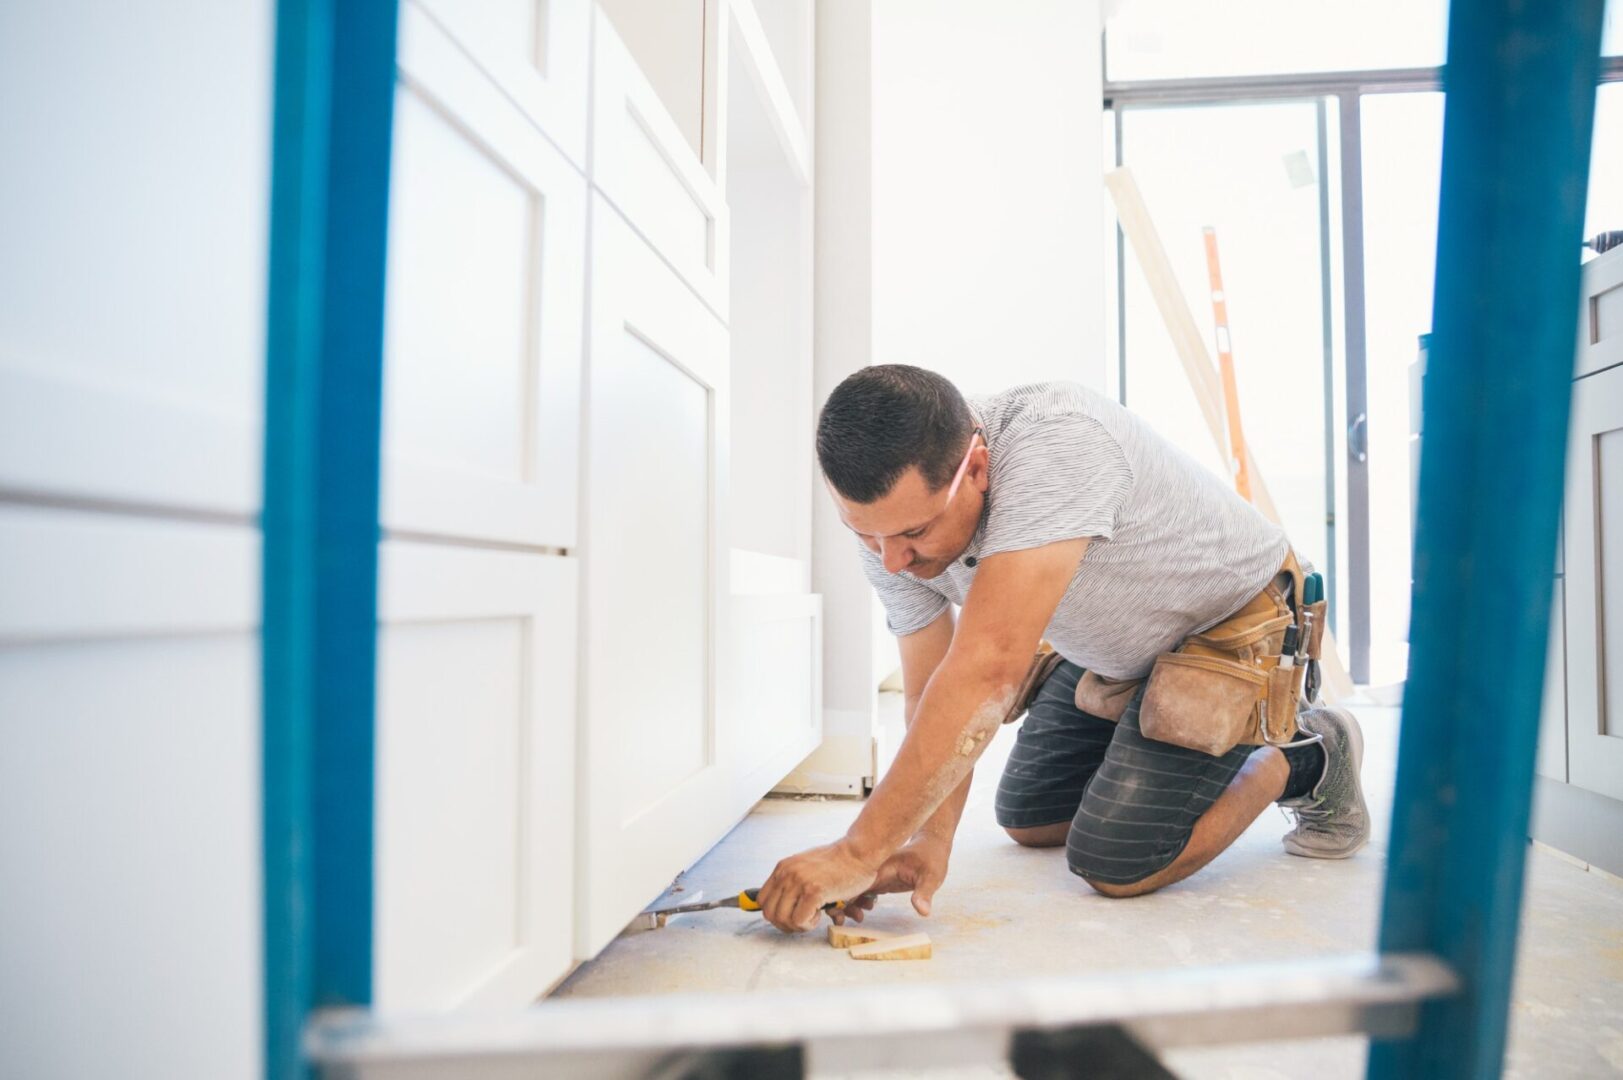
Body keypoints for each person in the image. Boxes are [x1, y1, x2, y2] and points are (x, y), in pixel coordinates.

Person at [754, 365, 1368, 934]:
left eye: (914, 533)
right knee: (1030, 818)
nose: (892, 560)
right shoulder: (890, 532)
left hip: (1239, 624)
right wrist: (925, 841)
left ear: (977, 467)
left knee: (1119, 861)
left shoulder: (1055, 445)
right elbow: (933, 688)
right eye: (864, 533)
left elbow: (987, 674)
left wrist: (857, 851)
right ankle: (1149, 727)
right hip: (1119, 646)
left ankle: (1312, 754)